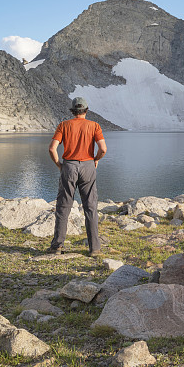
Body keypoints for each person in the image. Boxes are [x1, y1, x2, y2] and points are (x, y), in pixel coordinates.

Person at [48, 97, 107, 256]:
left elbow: (52, 149)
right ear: (86, 110)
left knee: (63, 206)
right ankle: (94, 248)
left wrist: (59, 165)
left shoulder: (64, 125)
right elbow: (103, 149)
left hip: (69, 166)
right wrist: (95, 159)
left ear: (73, 111)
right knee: (90, 206)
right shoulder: (94, 126)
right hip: (88, 166)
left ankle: (57, 246)